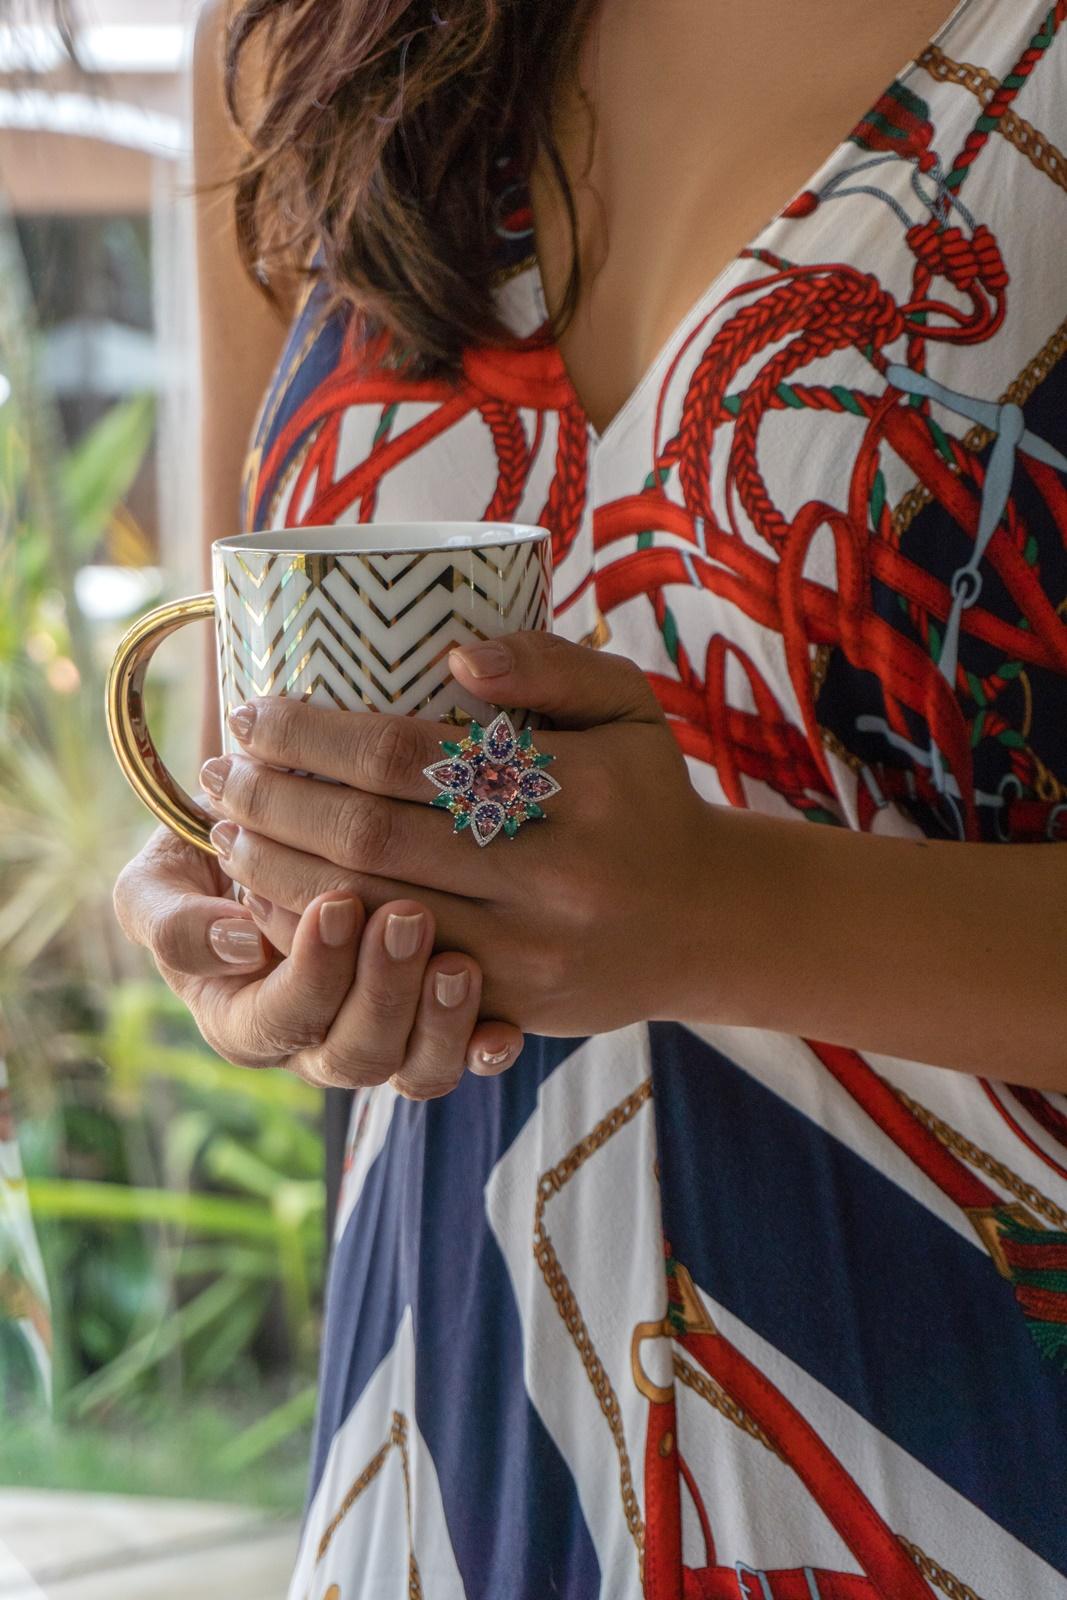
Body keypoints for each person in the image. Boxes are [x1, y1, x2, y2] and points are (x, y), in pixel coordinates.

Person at [112, 0, 1067, 1593]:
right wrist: (243, 936)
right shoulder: (311, 45)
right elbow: (257, 786)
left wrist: (721, 914)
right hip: (454, 1462)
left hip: (984, 1466)